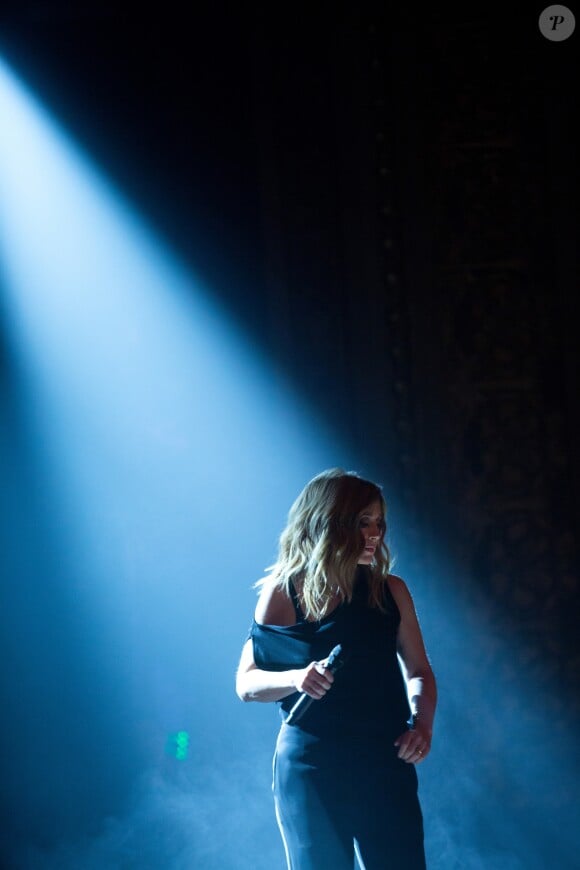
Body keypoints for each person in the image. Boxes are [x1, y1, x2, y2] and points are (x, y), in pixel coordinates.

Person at [236, 468, 436, 869]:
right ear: (329, 522)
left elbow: (418, 671)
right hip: (312, 765)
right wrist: (296, 678)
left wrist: (421, 724)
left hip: (383, 758)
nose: (375, 534)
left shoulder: (390, 590)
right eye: (363, 522)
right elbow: (247, 682)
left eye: (379, 523)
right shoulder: (284, 591)